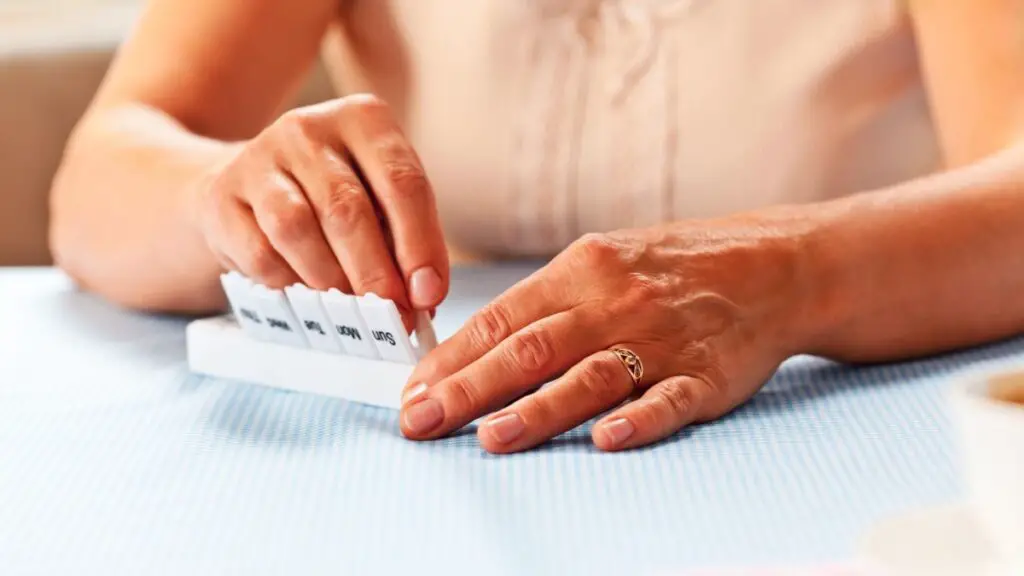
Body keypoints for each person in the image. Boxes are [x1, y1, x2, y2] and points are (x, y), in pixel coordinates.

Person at [50, 0, 1024, 454]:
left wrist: (780, 275)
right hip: (443, 445)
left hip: (840, 423)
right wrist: (222, 194)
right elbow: (100, 176)